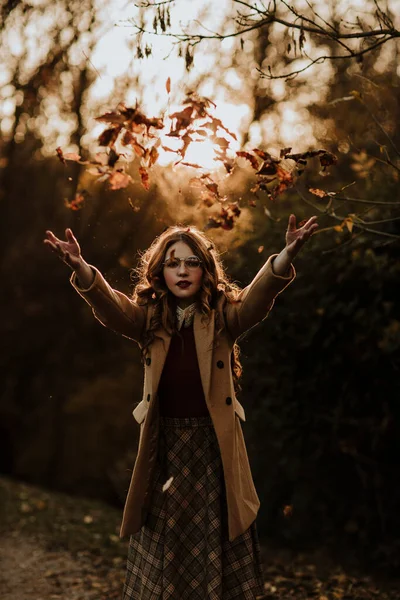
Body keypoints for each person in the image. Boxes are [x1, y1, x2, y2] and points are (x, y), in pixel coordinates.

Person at [43, 213, 318, 599]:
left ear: (206, 271)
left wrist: (285, 256)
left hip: (212, 449)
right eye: (173, 263)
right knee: (165, 538)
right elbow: (112, 307)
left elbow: (256, 300)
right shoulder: (150, 320)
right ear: (161, 272)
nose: (183, 271)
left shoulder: (223, 316)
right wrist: (82, 269)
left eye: (192, 262)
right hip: (165, 450)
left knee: (214, 533)